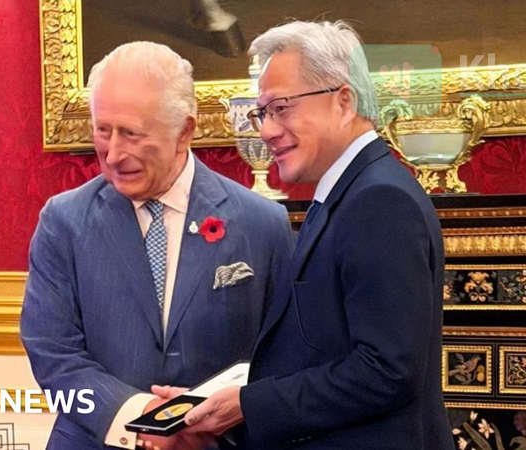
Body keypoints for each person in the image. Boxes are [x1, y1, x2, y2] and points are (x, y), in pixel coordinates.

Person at [161, 20, 454, 449]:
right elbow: (323, 350)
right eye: (262, 113)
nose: (266, 130)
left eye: (281, 108)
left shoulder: (379, 201)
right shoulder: (352, 192)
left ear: (343, 102)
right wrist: (221, 404)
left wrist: (249, 406)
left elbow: (386, 371)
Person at [20, 41, 293, 449]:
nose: (113, 154)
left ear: (184, 131)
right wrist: (144, 418)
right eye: (103, 130)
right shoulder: (64, 221)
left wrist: (213, 421)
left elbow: (286, 359)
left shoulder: (262, 224)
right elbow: (52, 353)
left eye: (131, 133)